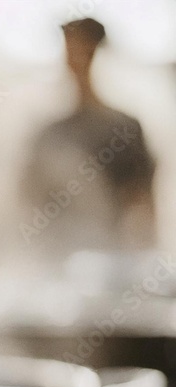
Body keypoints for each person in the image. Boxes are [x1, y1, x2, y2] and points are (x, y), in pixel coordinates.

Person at [21, 18, 156, 256]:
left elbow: (142, 204)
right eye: (70, 49)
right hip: (58, 255)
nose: (74, 59)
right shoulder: (50, 133)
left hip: (114, 254)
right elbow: (29, 203)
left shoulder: (125, 129)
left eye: (82, 48)